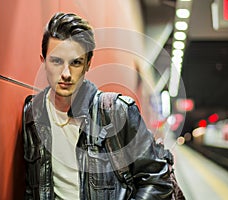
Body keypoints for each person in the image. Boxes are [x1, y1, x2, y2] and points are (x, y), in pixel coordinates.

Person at [22, 12, 184, 200]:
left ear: (88, 65)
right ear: (43, 62)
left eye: (76, 62)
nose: (65, 73)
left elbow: (158, 180)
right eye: (56, 61)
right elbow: (32, 186)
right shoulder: (33, 114)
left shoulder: (117, 111)